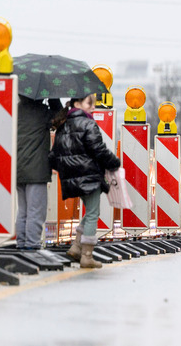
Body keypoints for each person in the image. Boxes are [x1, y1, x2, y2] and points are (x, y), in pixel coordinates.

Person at [49, 94, 122, 269]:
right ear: (77, 103)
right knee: (93, 214)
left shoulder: (62, 124)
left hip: (72, 178)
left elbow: (53, 155)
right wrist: (114, 163)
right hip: (89, 177)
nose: (93, 107)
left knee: (89, 211)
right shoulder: (88, 124)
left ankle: (76, 247)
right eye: (89, 103)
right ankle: (87, 256)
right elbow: (99, 149)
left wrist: (68, 170)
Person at [15, 97, 61, 250]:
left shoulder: (15, 109)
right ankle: (32, 246)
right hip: (36, 170)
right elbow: (60, 118)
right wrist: (54, 99)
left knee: (23, 211)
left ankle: (21, 244)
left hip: (18, 169)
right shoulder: (42, 112)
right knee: (36, 210)